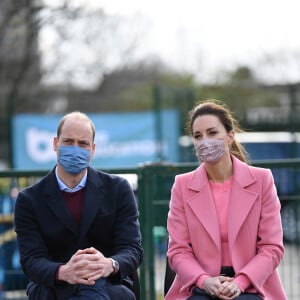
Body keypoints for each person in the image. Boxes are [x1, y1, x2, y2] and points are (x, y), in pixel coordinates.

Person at [14, 111, 143, 300]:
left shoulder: (118, 189)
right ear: (55, 144)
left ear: (93, 149)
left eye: (83, 144)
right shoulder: (29, 199)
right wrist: (64, 271)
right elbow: (31, 259)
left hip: (109, 285)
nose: (75, 149)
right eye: (68, 142)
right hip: (54, 288)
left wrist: (109, 264)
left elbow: (132, 248)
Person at [165, 100, 287, 300]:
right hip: (199, 287)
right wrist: (204, 280)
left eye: (212, 133)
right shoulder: (182, 185)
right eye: (198, 136)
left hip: (252, 287)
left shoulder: (262, 180)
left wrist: (240, 282)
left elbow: (272, 247)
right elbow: (178, 251)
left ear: (230, 136)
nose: (205, 141)